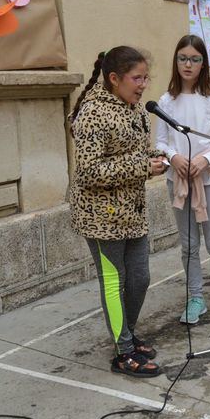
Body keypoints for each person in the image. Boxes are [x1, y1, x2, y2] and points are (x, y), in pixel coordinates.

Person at [68, 46, 166, 378]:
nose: (142, 85)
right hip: (100, 217)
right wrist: (142, 165)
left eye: (145, 78)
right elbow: (88, 171)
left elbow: (136, 151)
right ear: (114, 79)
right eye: (137, 78)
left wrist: (159, 156)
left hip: (132, 212)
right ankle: (123, 352)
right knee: (115, 281)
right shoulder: (94, 112)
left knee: (140, 278)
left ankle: (127, 334)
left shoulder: (135, 109)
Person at [156, 35, 210, 324]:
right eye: (182, 58)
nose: (188, 64)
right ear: (175, 61)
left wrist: (205, 159)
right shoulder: (166, 101)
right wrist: (174, 158)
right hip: (178, 180)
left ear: (203, 64)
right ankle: (195, 298)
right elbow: (161, 142)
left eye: (194, 59)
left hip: (209, 181)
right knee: (189, 245)